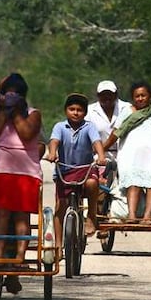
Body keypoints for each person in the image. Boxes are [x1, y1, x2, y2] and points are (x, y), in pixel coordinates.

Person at [0, 73, 43, 294]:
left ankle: (18, 259)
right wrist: (3, 111)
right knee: (0, 214)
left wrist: (16, 111)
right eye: (7, 93)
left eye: (15, 94)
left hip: (25, 171)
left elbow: (27, 134)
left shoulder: (33, 115)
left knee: (21, 215)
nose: (11, 97)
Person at [102, 81, 151, 224]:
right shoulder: (127, 111)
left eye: (143, 95)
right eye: (137, 96)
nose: (140, 98)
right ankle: (131, 215)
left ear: (150, 96)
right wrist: (103, 147)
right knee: (133, 182)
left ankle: (147, 216)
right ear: (133, 98)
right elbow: (117, 131)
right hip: (131, 154)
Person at [44, 93, 107, 241]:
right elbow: (54, 141)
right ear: (66, 110)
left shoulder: (89, 126)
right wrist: (53, 153)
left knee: (92, 183)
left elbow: (96, 141)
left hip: (86, 169)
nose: (75, 112)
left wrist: (101, 156)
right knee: (60, 207)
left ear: (85, 112)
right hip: (64, 171)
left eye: (79, 110)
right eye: (72, 109)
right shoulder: (60, 126)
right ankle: (58, 245)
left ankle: (91, 215)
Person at [85, 80, 132, 159]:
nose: (107, 97)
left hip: (124, 154)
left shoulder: (127, 108)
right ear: (98, 95)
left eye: (110, 94)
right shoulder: (89, 111)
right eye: (103, 94)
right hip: (99, 156)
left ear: (116, 94)